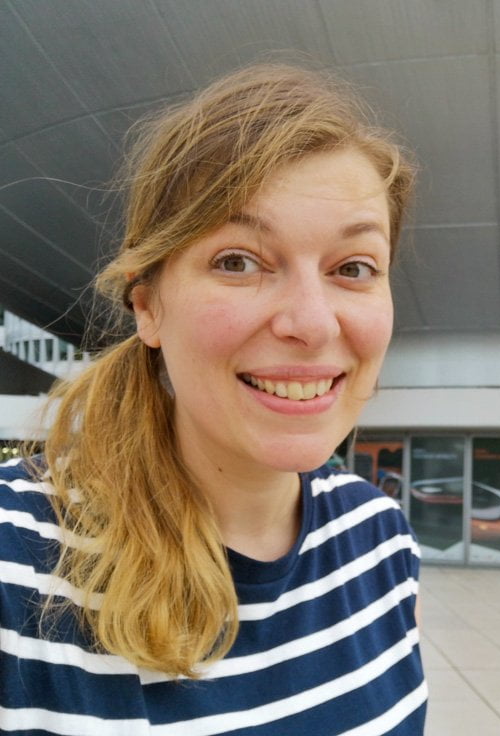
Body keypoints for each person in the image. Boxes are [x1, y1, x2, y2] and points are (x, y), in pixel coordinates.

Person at [0, 64, 425, 734]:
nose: (312, 323)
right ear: (148, 307)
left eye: (353, 268)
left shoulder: (380, 539)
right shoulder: (15, 558)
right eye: (238, 261)